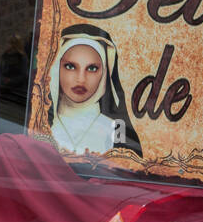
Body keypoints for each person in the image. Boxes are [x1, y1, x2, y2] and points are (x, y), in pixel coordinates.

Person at [46, 23, 142, 155]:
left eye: (92, 68)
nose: (81, 79)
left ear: (104, 75)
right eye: (70, 66)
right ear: (57, 68)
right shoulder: (40, 124)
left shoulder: (117, 131)